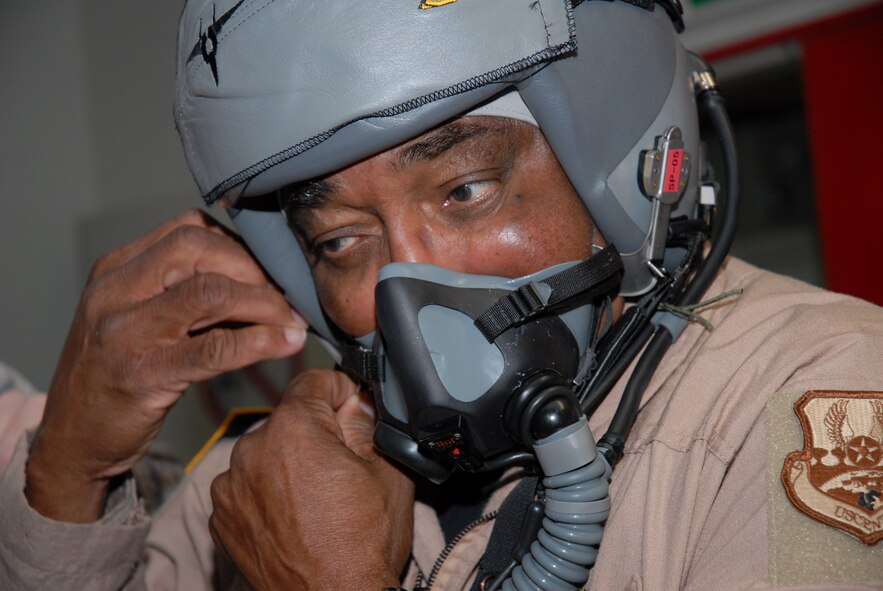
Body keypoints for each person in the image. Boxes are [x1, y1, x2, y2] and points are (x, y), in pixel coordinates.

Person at [2, 1, 882, 590]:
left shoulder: (827, 398)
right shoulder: (290, 472)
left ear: (625, 169)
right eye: (340, 240)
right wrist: (68, 476)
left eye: (465, 191)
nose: (406, 283)